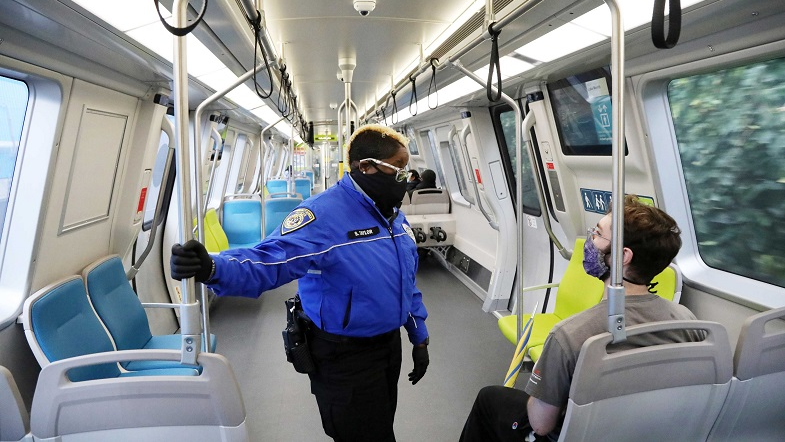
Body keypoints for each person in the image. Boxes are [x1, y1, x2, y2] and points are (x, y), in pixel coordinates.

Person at [170, 124, 429, 442]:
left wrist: (419, 337)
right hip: (345, 355)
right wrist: (212, 267)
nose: (406, 179)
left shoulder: (394, 217)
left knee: (381, 425)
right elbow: (269, 261)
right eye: (399, 169)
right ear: (367, 167)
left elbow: (407, 282)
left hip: (388, 347)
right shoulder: (321, 217)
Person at [460, 195, 703, 441]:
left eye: (597, 234)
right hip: (647, 432)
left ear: (622, 257)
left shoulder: (570, 335)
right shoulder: (687, 322)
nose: (589, 241)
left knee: (490, 399)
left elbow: (541, 424)